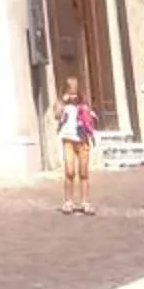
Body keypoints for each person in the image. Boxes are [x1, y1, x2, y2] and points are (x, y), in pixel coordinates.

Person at [55, 74, 97, 213]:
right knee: (69, 171)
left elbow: (91, 120)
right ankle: (68, 201)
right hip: (68, 140)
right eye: (70, 92)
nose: (73, 95)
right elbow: (56, 115)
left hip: (82, 141)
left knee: (84, 172)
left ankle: (85, 201)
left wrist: (86, 113)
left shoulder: (83, 105)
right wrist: (63, 101)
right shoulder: (62, 104)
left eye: (75, 92)